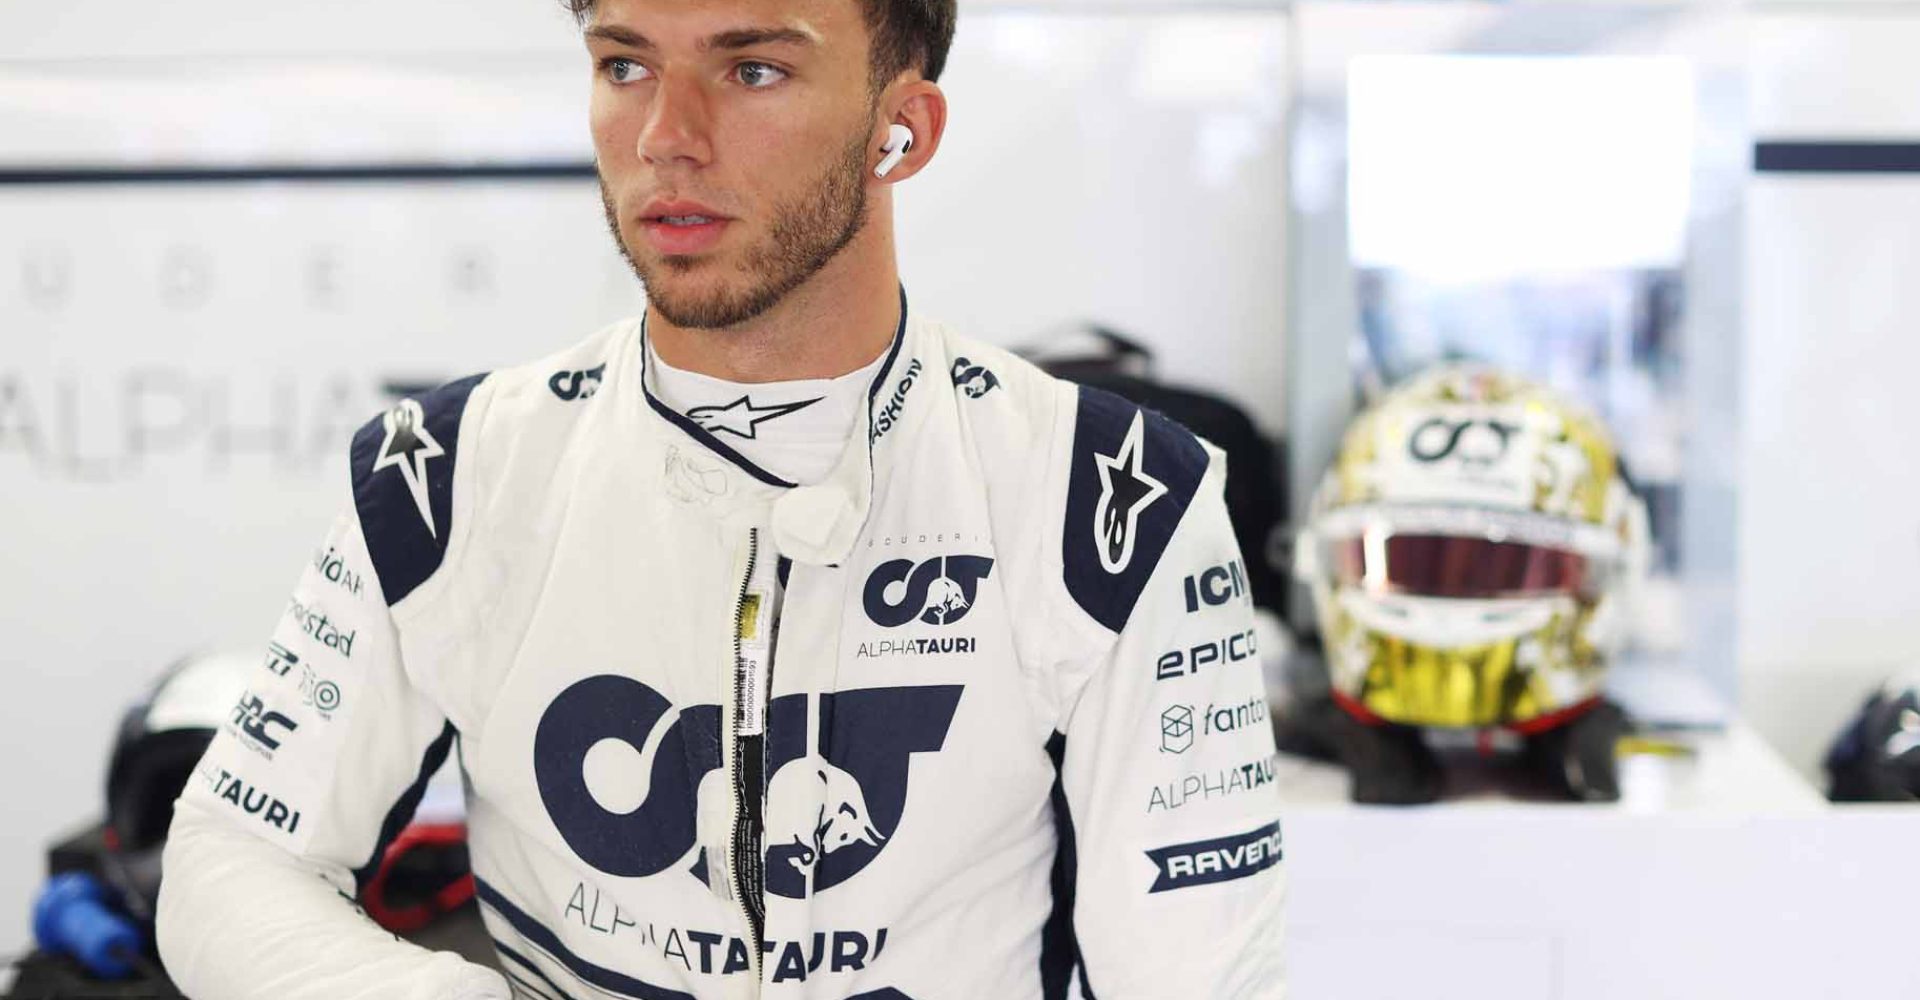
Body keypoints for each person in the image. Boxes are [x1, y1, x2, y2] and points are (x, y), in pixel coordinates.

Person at [154, 0, 1287, 996]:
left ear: (905, 129)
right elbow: (228, 857)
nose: (666, 139)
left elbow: (1197, 976)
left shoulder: (1112, 496)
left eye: (752, 70)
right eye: (625, 65)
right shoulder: (450, 471)